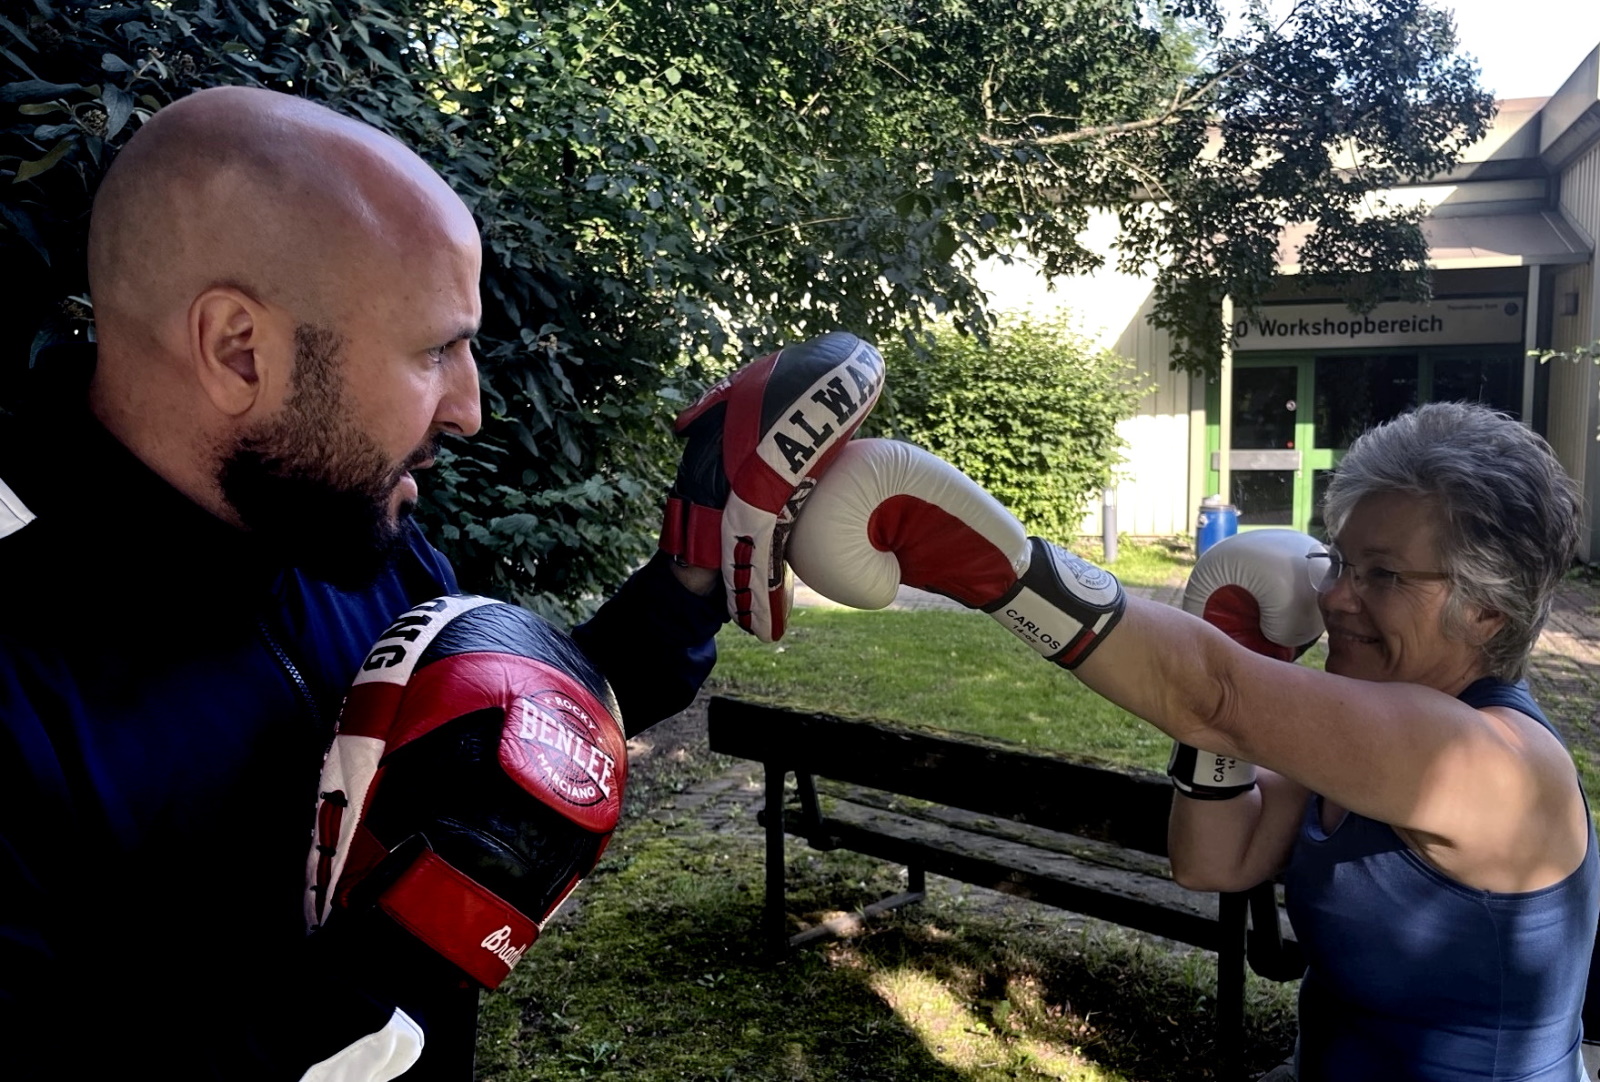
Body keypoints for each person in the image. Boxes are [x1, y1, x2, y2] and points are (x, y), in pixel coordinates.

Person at [0, 84, 860, 1081]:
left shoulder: (333, 530)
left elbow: (504, 721)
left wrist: (690, 573)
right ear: (240, 348)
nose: (470, 407)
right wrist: (399, 954)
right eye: (434, 349)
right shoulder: (22, 669)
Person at [786, 402, 1598, 1082]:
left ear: (1487, 609)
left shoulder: (1492, 766)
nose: (1334, 595)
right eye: (1339, 560)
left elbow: (1214, 693)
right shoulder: (1364, 736)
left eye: (1382, 575)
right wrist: (1235, 709)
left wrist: (995, 570)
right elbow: (1214, 858)